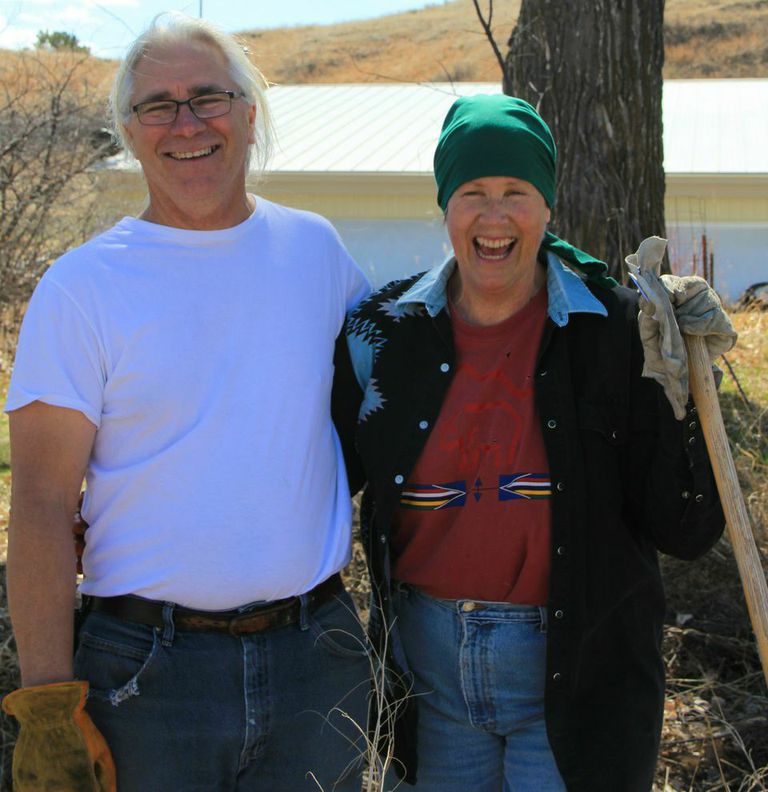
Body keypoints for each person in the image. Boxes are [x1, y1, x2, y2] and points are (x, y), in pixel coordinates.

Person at [2, 13, 371, 791]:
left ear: (248, 111)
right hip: (144, 677)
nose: (186, 123)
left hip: (318, 663)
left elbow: (426, 364)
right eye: (157, 106)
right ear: (130, 134)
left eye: (207, 96)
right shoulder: (83, 288)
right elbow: (39, 503)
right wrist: (47, 708)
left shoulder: (318, 253)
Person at [343, 95, 727, 791]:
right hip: (427, 682)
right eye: (472, 194)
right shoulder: (383, 331)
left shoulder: (617, 330)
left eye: (516, 192)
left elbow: (688, 528)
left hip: (579, 677)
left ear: (547, 205)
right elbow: (314, 480)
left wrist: (688, 394)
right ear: (444, 206)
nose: (495, 217)